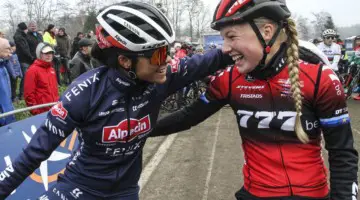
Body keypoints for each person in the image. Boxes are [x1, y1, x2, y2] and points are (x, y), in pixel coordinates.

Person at [0, 2, 232, 199]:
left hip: (126, 191)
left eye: (168, 50)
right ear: (125, 61)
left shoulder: (163, 77)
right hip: (80, 188)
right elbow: (33, 154)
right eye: (159, 54)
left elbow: (216, 58)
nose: (168, 59)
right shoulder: (84, 92)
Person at [151, 1, 358, 200]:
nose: (224, 48)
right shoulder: (230, 80)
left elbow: (342, 153)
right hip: (256, 193)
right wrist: (138, 130)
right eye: (223, 39)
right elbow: (187, 117)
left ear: (266, 32)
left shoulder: (320, 78)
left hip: (312, 193)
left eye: (231, 37)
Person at [24, 43, 59, 115]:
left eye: (51, 53)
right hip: (41, 112)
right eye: (46, 53)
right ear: (39, 54)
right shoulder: (32, 70)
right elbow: (29, 95)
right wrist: (36, 112)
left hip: (54, 110)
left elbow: (55, 90)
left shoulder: (52, 69)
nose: (49, 55)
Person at [13, 22, 35, 100]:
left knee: (26, 77)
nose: (27, 31)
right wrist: (31, 57)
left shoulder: (22, 36)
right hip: (24, 60)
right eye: (26, 29)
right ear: (24, 29)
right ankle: (21, 94)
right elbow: (24, 49)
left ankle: (23, 93)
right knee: (25, 77)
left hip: (25, 59)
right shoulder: (19, 37)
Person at [0, 38, 16, 126]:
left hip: (8, 119)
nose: (11, 52)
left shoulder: (3, 66)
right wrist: (3, 120)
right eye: (7, 49)